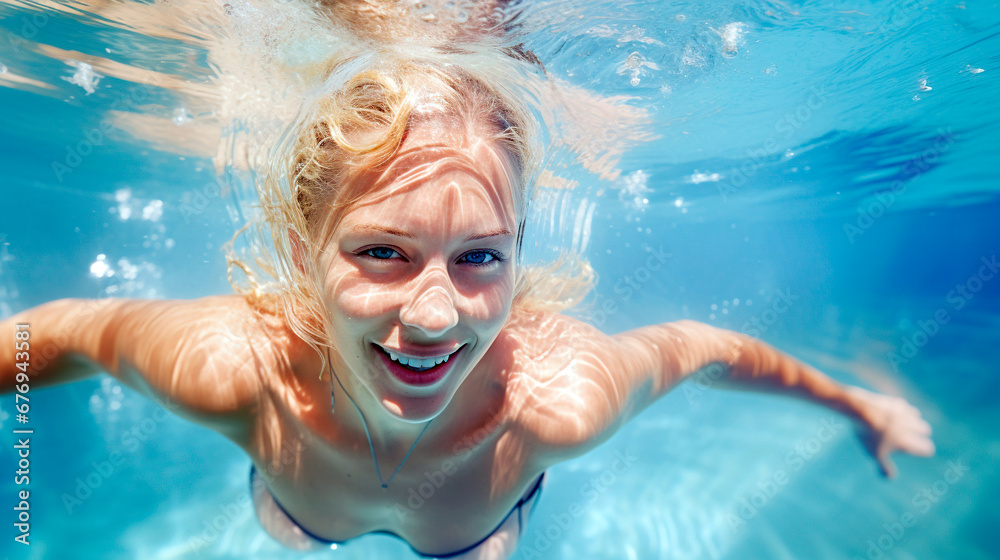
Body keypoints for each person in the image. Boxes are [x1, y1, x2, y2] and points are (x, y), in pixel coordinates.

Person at [0, 56, 934, 560]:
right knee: (289, 530)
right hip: (299, 511)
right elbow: (62, 334)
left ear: (521, 254)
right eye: (381, 252)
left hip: (477, 532)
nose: (437, 315)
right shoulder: (234, 372)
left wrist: (863, 406)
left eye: (479, 256)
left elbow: (707, 346)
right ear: (298, 252)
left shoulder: (556, 404)